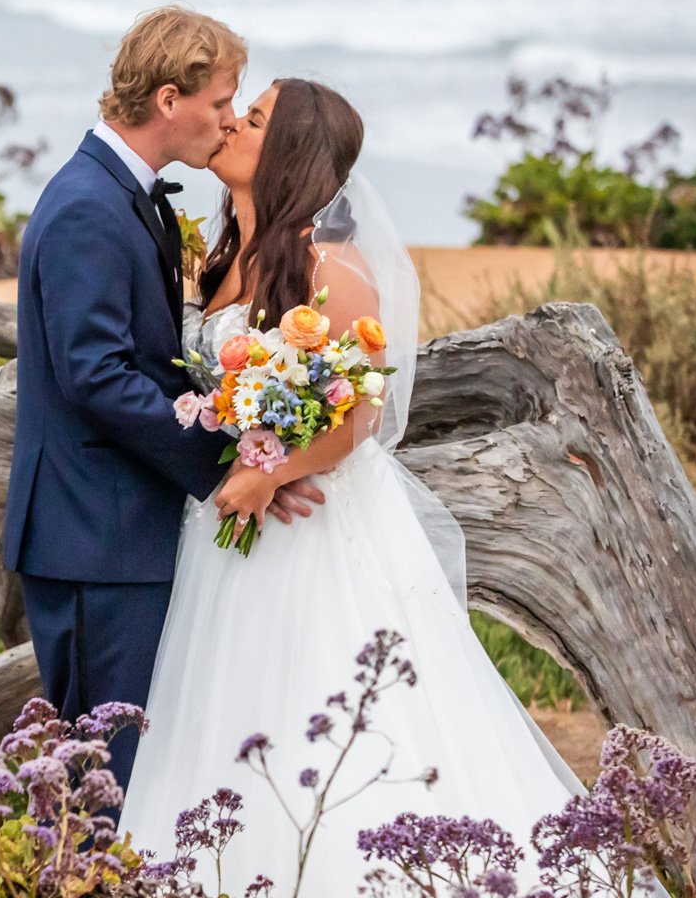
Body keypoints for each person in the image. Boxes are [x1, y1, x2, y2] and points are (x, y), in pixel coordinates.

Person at [117, 77, 592, 893]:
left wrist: (274, 471)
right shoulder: (225, 260)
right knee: (229, 710)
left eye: (254, 118)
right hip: (229, 536)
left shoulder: (329, 267)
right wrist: (242, 467)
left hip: (312, 531)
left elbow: (359, 413)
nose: (232, 123)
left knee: (324, 706)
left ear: (290, 154)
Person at [2, 7, 327, 806]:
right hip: (94, 537)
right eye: (223, 101)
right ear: (172, 99)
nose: (228, 120)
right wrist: (231, 466)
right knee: (103, 778)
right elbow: (96, 375)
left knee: (125, 769)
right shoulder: (88, 205)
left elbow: (148, 362)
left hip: (118, 530)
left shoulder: (128, 195)